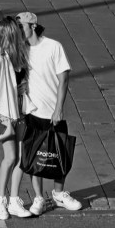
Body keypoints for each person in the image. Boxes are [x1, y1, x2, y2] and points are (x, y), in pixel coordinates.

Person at [13, 12, 82, 214]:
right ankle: (38, 197)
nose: (18, 31)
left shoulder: (53, 47)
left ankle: (59, 194)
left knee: (60, 153)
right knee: (36, 157)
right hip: (33, 113)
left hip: (54, 113)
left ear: (33, 26)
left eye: (21, 27)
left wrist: (58, 108)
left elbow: (64, 79)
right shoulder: (22, 50)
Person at [0, 16, 36, 220]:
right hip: (6, 115)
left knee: (21, 159)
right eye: (18, 31)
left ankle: (14, 199)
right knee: (11, 158)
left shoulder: (19, 56)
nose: (22, 34)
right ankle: (1, 199)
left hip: (21, 113)